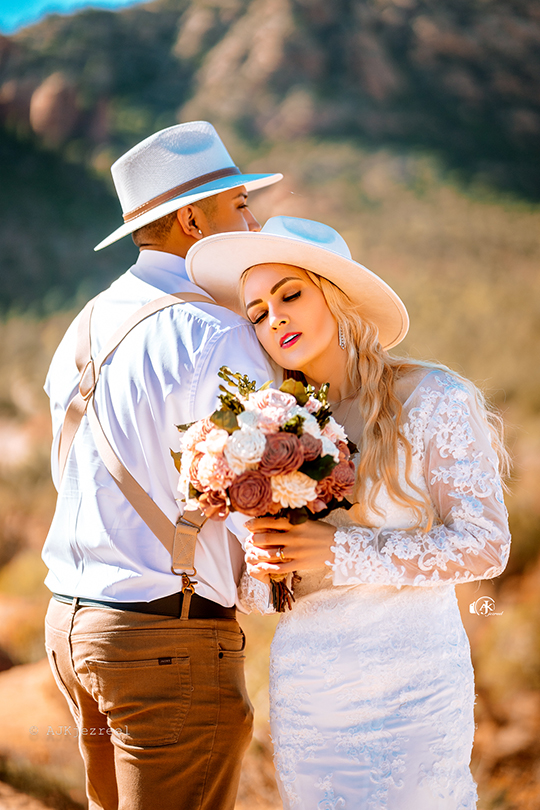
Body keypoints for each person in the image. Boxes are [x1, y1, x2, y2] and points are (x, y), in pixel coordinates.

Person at [185, 215, 511, 809]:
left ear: (338, 298)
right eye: (257, 312)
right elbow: (261, 598)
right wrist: (267, 564)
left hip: (414, 686)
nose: (274, 317)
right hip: (310, 693)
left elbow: (486, 543)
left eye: (290, 294)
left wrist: (342, 551)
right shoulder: (266, 431)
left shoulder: (434, 398)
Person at [42, 121, 282, 810]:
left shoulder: (85, 322)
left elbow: (75, 477)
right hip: (167, 638)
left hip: (74, 624)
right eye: (239, 205)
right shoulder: (220, 331)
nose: (253, 219)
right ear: (189, 219)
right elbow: (254, 490)